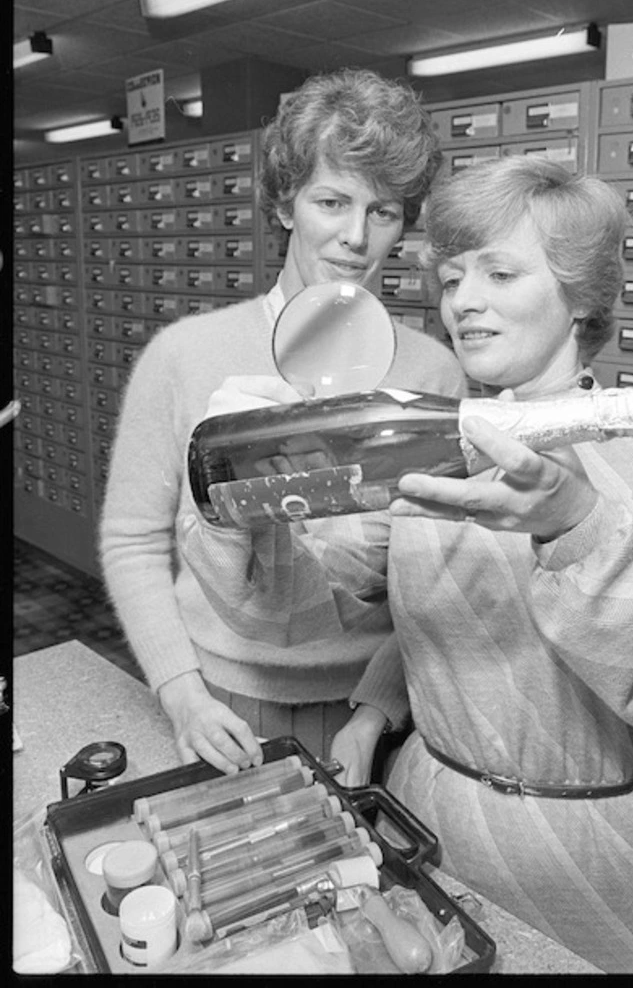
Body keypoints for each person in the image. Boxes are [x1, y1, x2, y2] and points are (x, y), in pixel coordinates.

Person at [179, 155, 633, 974]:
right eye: (451, 278)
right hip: (423, 815)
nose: (463, 301)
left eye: (499, 272)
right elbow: (342, 607)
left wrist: (577, 525)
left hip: (584, 855)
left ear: (582, 296)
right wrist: (247, 500)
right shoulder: (435, 451)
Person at [99, 67, 465, 786]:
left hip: (374, 713)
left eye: (384, 211)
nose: (356, 236)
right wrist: (181, 693)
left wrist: (377, 711)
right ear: (285, 202)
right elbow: (132, 540)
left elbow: (429, 578)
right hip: (222, 701)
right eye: (332, 201)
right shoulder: (183, 355)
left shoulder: (434, 373)